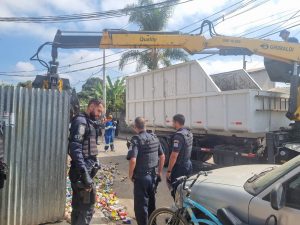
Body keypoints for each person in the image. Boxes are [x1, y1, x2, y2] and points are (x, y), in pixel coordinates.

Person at [68, 99, 105, 225]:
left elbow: (88, 147)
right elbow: (75, 148)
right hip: (81, 173)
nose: (100, 114)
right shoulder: (81, 122)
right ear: (91, 107)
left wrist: (95, 160)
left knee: (78, 208)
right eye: (99, 110)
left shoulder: (88, 122)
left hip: (84, 171)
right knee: (86, 209)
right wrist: (85, 174)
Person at [127, 117, 165, 225]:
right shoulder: (154, 138)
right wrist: (159, 172)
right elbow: (162, 157)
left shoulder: (136, 140)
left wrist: (130, 175)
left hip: (141, 178)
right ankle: (153, 222)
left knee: (141, 207)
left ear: (135, 127)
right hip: (153, 176)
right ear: (145, 125)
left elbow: (133, 160)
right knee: (151, 203)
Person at [166, 114, 193, 199]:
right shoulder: (188, 133)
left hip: (179, 168)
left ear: (177, 122)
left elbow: (174, 155)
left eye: (173, 122)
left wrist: (169, 171)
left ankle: (178, 211)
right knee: (185, 190)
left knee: (177, 191)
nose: (172, 124)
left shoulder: (178, 136)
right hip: (188, 165)